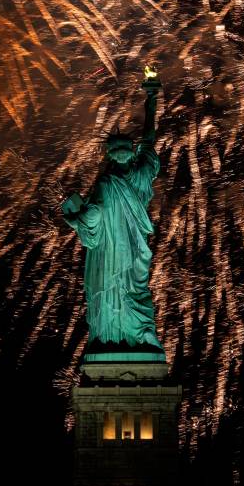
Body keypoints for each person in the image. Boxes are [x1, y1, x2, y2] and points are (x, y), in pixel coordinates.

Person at [61, 67, 164, 358]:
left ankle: (111, 338)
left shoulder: (106, 182)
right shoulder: (141, 175)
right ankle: (138, 338)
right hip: (132, 252)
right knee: (135, 291)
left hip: (109, 256)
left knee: (110, 291)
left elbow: (92, 218)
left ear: (110, 155)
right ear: (130, 153)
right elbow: (149, 140)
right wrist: (151, 99)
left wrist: (74, 217)